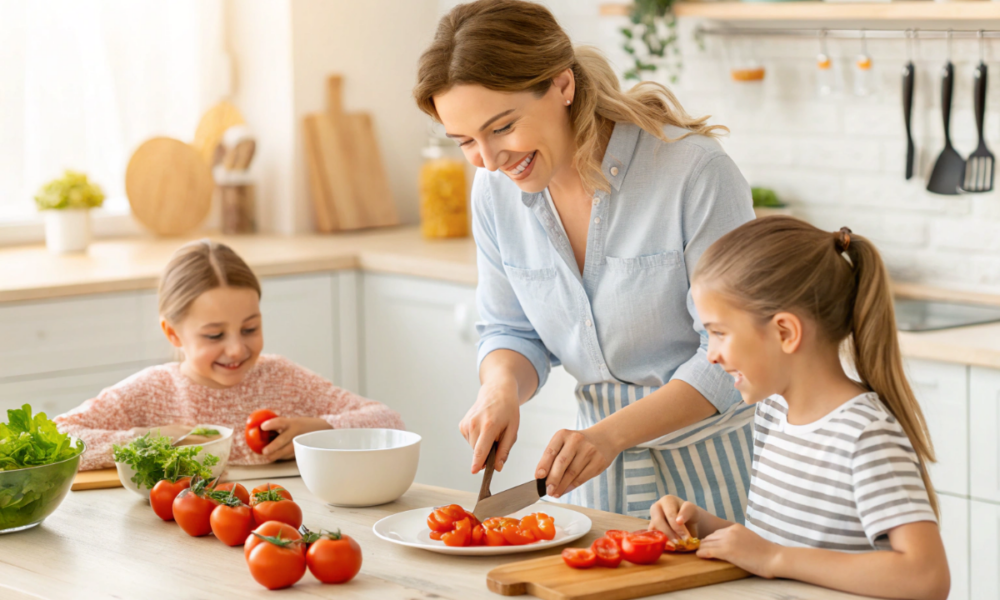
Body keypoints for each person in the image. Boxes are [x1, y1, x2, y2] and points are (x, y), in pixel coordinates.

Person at [414, 0, 754, 520]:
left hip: (712, 476)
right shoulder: (494, 192)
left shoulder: (693, 172)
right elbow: (511, 328)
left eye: (502, 127)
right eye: (465, 141)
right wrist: (499, 388)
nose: (489, 159)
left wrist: (609, 435)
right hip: (592, 480)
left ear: (562, 85)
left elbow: (734, 355)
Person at [650, 217, 949, 600]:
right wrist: (707, 527)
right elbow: (784, 549)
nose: (710, 355)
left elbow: (926, 576)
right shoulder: (774, 413)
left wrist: (773, 557)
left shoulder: (865, 435)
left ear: (785, 332)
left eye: (719, 333)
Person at [56, 240, 404, 471]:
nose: (237, 348)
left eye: (250, 328)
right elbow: (61, 437)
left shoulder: (282, 379)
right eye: (214, 335)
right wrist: (150, 439)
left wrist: (318, 430)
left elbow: (388, 422)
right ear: (173, 333)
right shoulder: (153, 390)